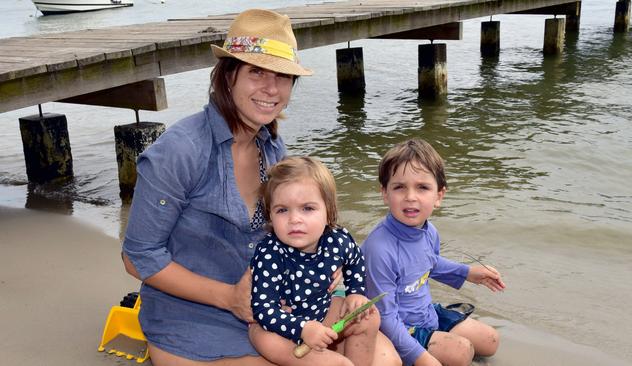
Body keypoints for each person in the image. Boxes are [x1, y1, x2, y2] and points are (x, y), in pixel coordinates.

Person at [120, 8, 400, 366]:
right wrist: (230, 298)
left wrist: (330, 265)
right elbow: (137, 256)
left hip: (277, 309)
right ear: (228, 77)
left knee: (384, 355)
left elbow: (290, 232)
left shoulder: (272, 149)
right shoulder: (180, 152)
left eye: (282, 76)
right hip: (194, 320)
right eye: (257, 72)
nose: (272, 88)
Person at [362, 138, 507, 366]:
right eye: (399, 187)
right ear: (385, 193)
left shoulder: (429, 231)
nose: (411, 196)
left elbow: (429, 263)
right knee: (461, 352)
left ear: (439, 195)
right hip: (399, 326)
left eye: (422, 187)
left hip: (427, 313)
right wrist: (421, 358)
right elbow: (385, 318)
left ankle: (437, 339)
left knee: (490, 340)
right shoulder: (379, 249)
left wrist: (468, 272)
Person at [249, 156, 379, 366]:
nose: (295, 219)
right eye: (282, 210)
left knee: (368, 317)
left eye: (307, 208)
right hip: (275, 329)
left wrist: (355, 291)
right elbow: (264, 310)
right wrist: (302, 328)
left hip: (320, 312)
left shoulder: (337, 240)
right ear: (270, 216)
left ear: (329, 212)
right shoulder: (269, 253)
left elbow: (355, 260)